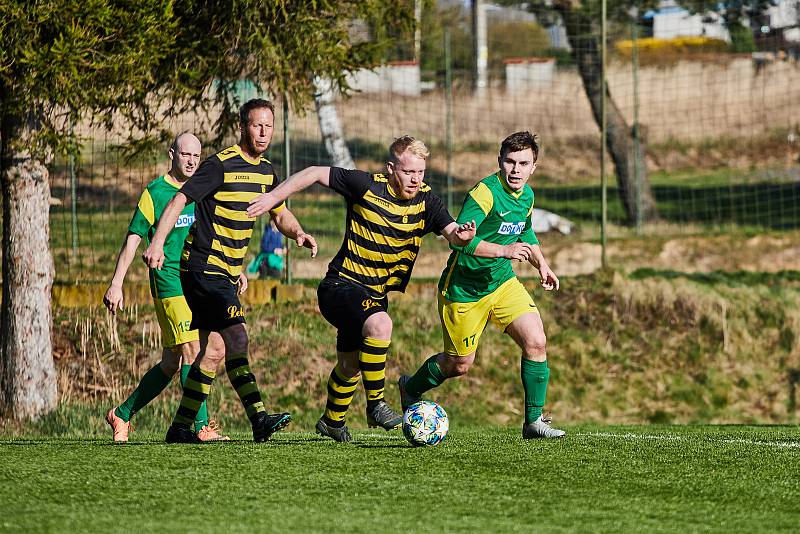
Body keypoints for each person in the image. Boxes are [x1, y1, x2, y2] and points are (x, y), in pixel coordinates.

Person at [247, 136, 476, 442]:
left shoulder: (427, 201)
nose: (415, 179)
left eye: (420, 173)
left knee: (350, 365)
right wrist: (273, 196)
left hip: (373, 294)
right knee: (380, 325)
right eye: (409, 172)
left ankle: (332, 421)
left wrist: (462, 235)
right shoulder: (365, 185)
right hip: (340, 285)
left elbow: (452, 235)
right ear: (392, 168)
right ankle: (376, 404)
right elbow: (315, 171)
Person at [143, 98, 318, 444]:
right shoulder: (219, 165)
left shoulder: (267, 171)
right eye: (257, 125)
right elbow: (179, 199)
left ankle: (180, 428)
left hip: (225, 272)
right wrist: (158, 242)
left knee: (215, 351)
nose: (264, 132)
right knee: (238, 336)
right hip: (201, 267)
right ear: (243, 126)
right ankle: (259, 419)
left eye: (269, 125)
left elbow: (280, 213)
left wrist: (298, 233)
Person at [398, 131, 566, 439]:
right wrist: (504, 250)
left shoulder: (527, 196)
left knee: (537, 342)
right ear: (500, 161)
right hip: (464, 291)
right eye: (510, 162)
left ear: (534, 167)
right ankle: (410, 387)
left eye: (523, 163)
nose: (516, 170)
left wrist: (542, 264)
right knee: (458, 364)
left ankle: (533, 422)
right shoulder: (484, 194)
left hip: (502, 283)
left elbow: (524, 232)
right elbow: (461, 243)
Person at [103, 132, 229, 442]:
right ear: (171, 154)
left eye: (196, 157)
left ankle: (121, 414)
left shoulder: (199, 192)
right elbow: (134, 237)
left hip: (195, 282)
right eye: (186, 155)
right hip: (168, 281)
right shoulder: (155, 192)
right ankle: (200, 427)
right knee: (192, 351)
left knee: (172, 362)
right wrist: (116, 283)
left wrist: (229, 269)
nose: (191, 161)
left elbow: (212, 237)